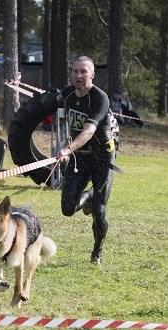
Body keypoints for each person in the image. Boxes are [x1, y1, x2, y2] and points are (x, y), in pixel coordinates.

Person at [56, 56, 116, 265]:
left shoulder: (100, 98)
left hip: (102, 158)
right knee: (67, 209)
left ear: (92, 74)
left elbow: (89, 131)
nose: (79, 76)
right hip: (79, 158)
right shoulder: (68, 95)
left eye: (83, 72)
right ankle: (88, 198)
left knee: (99, 213)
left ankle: (97, 251)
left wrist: (67, 148)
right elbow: (43, 98)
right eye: (75, 71)